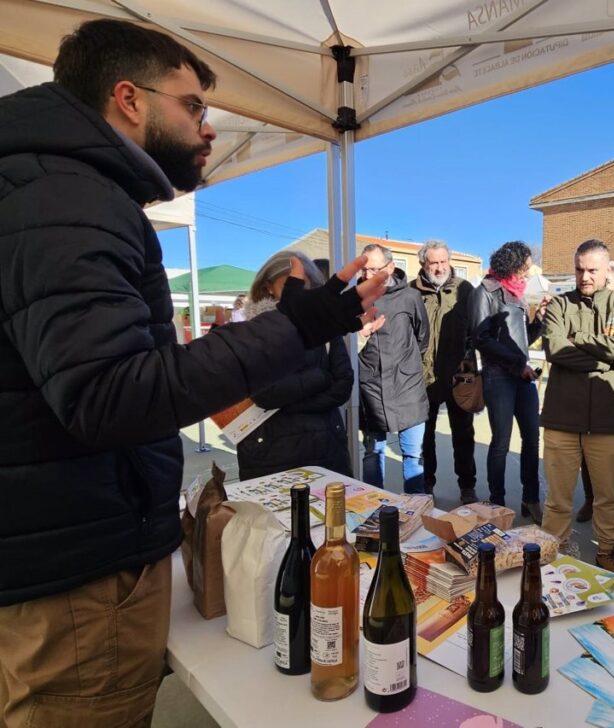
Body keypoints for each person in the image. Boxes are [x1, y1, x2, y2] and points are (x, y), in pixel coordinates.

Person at [0, 19, 386, 728]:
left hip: (68, 547)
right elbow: (112, 394)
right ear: (129, 98)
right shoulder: (67, 197)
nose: (208, 128)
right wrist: (301, 324)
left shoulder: (55, 188)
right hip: (79, 572)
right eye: (194, 107)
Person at [541, 240, 614, 576]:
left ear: (607, 270)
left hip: (608, 420)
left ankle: (606, 552)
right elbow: (555, 349)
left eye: (592, 270)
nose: (584, 276)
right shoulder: (559, 305)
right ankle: (553, 552)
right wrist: (604, 359)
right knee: (558, 498)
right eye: (579, 269)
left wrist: (579, 340)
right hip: (561, 417)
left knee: (607, 496)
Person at [236, 251, 354, 480]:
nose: (298, 292)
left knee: (331, 512)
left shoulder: (326, 325)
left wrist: (286, 403)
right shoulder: (253, 329)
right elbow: (265, 393)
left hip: (325, 445)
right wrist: (320, 377)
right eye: (290, 283)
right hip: (270, 451)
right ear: (268, 286)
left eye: (305, 285)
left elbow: (343, 385)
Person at [469, 241, 548, 520]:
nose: (527, 274)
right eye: (524, 268)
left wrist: (539, 320)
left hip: (522, 376)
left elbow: (523, 338)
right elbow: (481, 339)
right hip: (499, 377)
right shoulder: (485, 291)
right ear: (511, 264)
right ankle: (498, 503)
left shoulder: (517, 295)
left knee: (531, 439)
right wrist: (517, 365)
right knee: (501, 442)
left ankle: (531, 499)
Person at [357, 243, 430, 494]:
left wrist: (406, 365)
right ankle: (374, 510)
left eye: (374, 269)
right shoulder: (355, 299)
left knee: (413, 454)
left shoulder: (410, 296)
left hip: (408, 386)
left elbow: (423, 337)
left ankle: (415, 511)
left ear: (390, 267)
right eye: (365, 269)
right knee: (372, 452)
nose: (368, 275)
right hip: (371, 387)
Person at [411, 240, 477, 504]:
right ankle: (427, 484)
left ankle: (467, 486)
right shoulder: (411, 292)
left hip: (461, 374)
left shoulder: (466, 290)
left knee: (464, 434)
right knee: (425, 437)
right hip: (423, 376)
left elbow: (479, 329)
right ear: (423, 264)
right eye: (433, 262)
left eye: (443, 262)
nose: (439, 268)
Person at [576, 266, 614, 522]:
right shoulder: (583, 310)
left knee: (613, 456)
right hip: (586, 392)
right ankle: (590, 499)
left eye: (609, 283)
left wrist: (584, 341)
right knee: (587, 454)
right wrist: (602, 346)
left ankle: (612, 502)